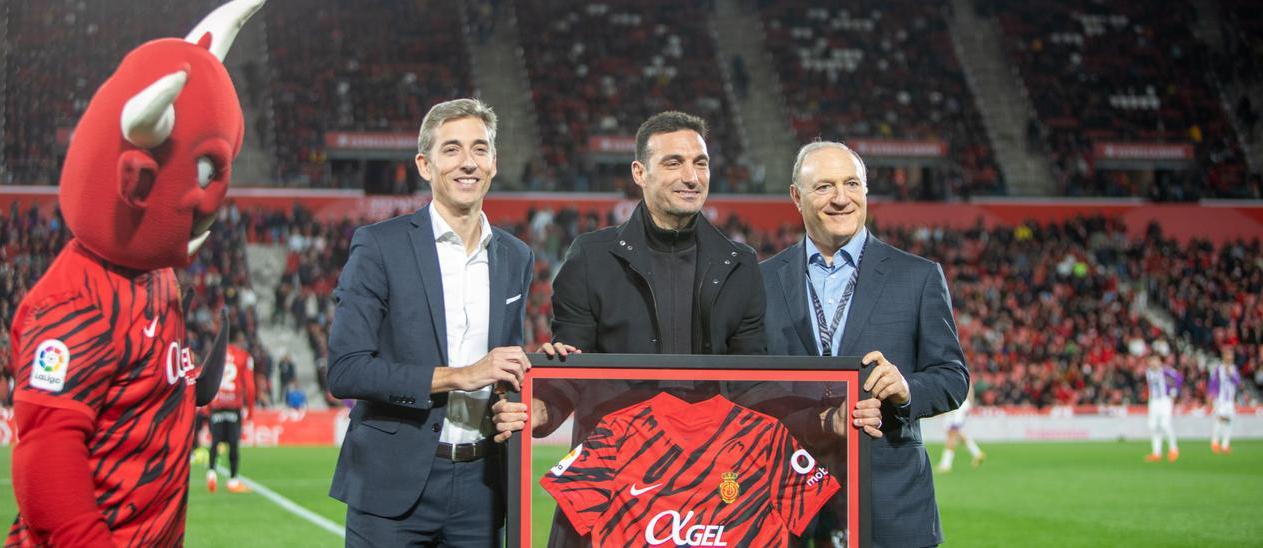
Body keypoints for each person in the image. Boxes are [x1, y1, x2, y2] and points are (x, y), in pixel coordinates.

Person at [516, 112, 882, 547]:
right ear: (640, 172)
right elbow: (569, 364)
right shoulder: (592, 257)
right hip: (616, 488)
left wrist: (824, 419)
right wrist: (539, 411)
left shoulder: (739, 263)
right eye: (673, 163)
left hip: (709, 495)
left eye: (700, 163)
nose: (691, 176)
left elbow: (754, 385)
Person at [5, 1, 262, 544]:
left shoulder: (156, 275)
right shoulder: (71, 304)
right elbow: (46, 460)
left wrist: (186, 388)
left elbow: (132, 384)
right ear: (135, 181)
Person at [326, 98, 535, 547]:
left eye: (480, 150)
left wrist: (517, 398)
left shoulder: (516, 257)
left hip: (482, 487)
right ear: (424, 164)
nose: (468, 163)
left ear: (494, 164)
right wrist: (462, 376)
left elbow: (507, 365)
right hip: (392, 487)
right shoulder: (379, 246)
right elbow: (346, 369)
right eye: (452, 149)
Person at [760, 141, 969, 548]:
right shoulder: (761, 281)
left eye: (852, 184)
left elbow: (952, 377)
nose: (841, 198)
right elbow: (748, 387)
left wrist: (907, 390)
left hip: (892, 504)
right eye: (824, 187)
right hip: (789, 502)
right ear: (796, 197)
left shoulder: (918, 277)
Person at [206, 332, 256, 494]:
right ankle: (233, 480)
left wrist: (207, 405)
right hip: (233, 406)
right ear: (238, 340)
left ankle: (211, 472)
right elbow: (250, 386)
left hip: (217, 403)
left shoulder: (215, 354)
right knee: (233, 444)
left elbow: (207, 377)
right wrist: (250, 410)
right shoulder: (243, 356)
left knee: (215, 441)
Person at [937, 380, 985, 473]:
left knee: (952, 434)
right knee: (956, 433)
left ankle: (946, 464)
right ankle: (977, 453)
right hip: (956, 405)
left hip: (958, 405)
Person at [1144, 353, 1182, 462]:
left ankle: (1173, 449)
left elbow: (1178, 378)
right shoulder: (1148, 372)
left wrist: (1174, 391)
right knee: (1153, 426)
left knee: (1165, 424)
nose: (1153, 363)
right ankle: (1156, 453)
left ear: (1160, 362)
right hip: (1153, 401)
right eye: (1151, 361)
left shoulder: (1165, 371)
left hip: (1164, 400)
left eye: (1155, 361)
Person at [1208, 347, 1241, 455]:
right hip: (1220, 400)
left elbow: (1237, 382)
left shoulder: (1234, 369)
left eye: (1231, 355)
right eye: (1228, 355)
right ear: (1224, 357)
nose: (1230, 357)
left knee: (1228, 422)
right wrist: (1211, 395)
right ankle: (1215, 442)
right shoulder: (1218, 369)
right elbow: (1212, 382)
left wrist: (1231, 374)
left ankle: (1225, 445)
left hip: (1229, 401)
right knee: (1220, 419)